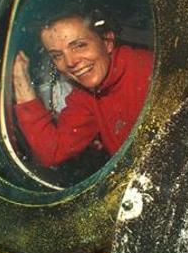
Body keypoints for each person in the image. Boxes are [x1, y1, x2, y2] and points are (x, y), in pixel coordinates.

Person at [12, 10, 153, 168]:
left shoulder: (149, 70)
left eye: (79, 46)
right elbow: (53, 151)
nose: (70, 62)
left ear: (107, 42)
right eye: (57, 55)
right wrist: (20, 82)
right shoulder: (87, 94)